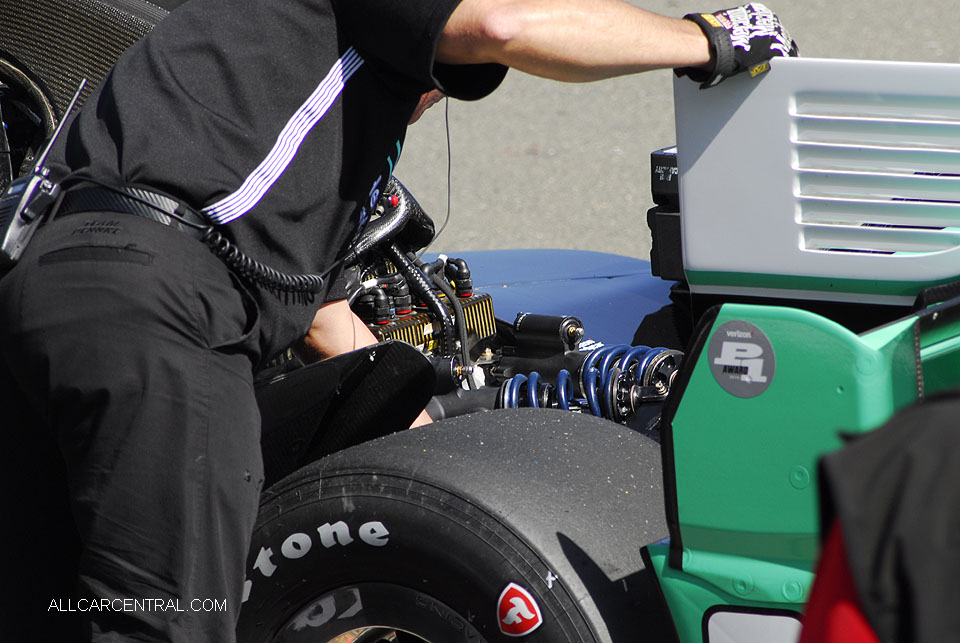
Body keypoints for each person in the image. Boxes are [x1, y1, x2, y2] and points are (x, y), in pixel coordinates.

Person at [0, 0, 796, 640]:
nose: (434, 97)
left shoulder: (231, 66)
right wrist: (704, 38)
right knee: (169, 616)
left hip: (47, 289)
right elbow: (503, 25)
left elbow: (328, 320)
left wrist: (442, 451)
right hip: (162, 304)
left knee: (53, 607)